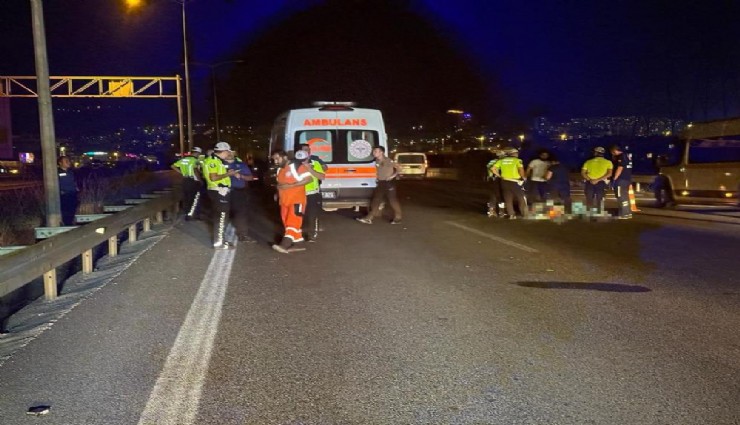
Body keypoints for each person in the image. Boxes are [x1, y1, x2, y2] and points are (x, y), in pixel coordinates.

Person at [272, 150, 312, 253]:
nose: (275, 161)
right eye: (274, 159)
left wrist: (291, 185)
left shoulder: (296, 166)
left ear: (285, 157)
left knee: (292, 223)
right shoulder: (279, 170)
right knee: (287, 223)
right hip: (284, 201)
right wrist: (277, 193)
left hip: (296, 200)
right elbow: (280, 184)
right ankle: (299, 243)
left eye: (277, 158)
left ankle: (284, 245)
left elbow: (309, 179)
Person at [203, 142, 237, 250]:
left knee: (222, 217)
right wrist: (228, 174)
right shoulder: (213, 161)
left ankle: (220, 240)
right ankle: (218, 243)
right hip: (218, 191)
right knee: (221, 217)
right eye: (228, 152)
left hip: (220, 191)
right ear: (224, 151)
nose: (229, 154)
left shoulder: (217, 160)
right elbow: (213, 178)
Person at [356, 146, 402, 224]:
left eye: (375, 151)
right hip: (381, 183)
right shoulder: (377, 160)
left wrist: (392, 176)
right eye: (373, 151)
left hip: (389, 183)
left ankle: (398, 218)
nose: (373, 153)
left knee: (392, 200)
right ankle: (369, 218)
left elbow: (399, 168)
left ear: (381, 152)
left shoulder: (388, 161)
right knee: (376, 200)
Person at [225, 150, 257, 241]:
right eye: (228, 152)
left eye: (232, 152)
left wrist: (241, 176)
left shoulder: (241, 164)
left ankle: (242, 235)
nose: (230, 154)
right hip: (223, 192)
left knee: (240, 213)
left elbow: (250, 177)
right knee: (223, 213)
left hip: (238, 192)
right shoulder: (220, 164)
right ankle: (221, 236)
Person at [299, 143, 328, 241]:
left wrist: (309, 168)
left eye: (308, 150)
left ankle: (311, 235)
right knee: (299, 215)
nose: (307, 152)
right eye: (304, 150)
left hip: (312, 194)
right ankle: (298, 234)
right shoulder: (294, 163)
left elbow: (322, 176)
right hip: (298, 194)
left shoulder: (315, 162)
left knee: (311, 215)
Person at [492, 148, 528, 219]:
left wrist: (500, 176)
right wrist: (523, 177)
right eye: (516, 153)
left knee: (508, 199)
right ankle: (524, 214)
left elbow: (493, 169)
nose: (517, 154)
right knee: (521, 198)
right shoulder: (518, 160)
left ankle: (511, 215)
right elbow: (521, 170)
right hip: (515, 182)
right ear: (513, 154)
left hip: (504, 182)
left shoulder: (501, 160)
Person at [171, 146, 203, 220]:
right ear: (197, 153)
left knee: (186, 198)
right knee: (195, 198)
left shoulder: (183, 159)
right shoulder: (195, 160)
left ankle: (187, 215)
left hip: (185, 180)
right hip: (193, 181)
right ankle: (194, 215)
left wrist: (181, 172)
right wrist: (200, 180)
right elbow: (195, 171)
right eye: (199, 154)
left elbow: (173, 166)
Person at [581, 146, 613, 214]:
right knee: (600, 198)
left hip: (589, 182)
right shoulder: (608, 162)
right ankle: (599, 212)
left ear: (596, 153)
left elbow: (583, 173)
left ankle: (589, 212)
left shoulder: (588, 162)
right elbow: (609, 174)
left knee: (589, 198)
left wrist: (590, 179)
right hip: (601, 182)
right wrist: (598, 180)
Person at [610, 144, 633, 219]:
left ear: (614, 151)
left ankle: (624, 214)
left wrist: (614, 178)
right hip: (627, 179)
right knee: (625, 197)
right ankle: (627, 213)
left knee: (621, 197)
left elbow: (620, 168)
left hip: (621, 180)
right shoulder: (627, 156)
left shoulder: (621, 157)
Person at [57, 156, 78, 226]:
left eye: (68, 161)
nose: (68, 163)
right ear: (60, 163)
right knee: (66, 212)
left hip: (73, 194)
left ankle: (70, 223)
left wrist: (76, 189)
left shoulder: (71, 172)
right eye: (66, 161)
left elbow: (75, 181)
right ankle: (67, 224)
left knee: (72, 210)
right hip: (64, 195)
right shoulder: (57, 172)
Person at [485, 152, 505, 217]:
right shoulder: (499, 162)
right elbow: (494, 169)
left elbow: (488, 168)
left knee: (493, 195)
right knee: (499, 195)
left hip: (491, 180)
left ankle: (491, 211)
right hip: (497, 179)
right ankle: (501, 212)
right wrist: (500, 176)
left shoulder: (491, 161)